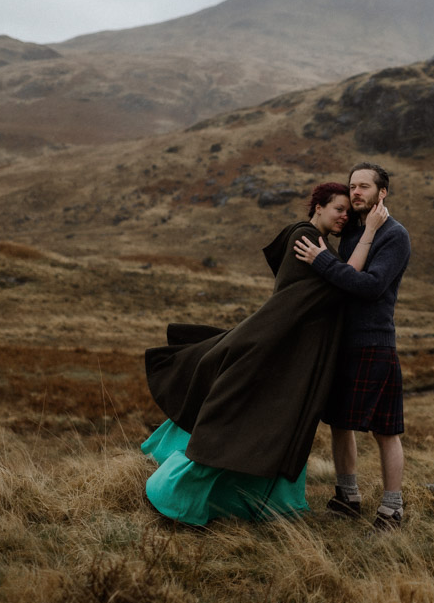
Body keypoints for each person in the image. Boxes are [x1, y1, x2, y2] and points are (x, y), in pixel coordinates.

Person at [140, 182, 386, 525]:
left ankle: (260, 504)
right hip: (279, 351)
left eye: (348, 211)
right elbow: (347, 279)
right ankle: (174, 493)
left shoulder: (318, 243)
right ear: (318, 207)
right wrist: (371, 229)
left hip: (291, 354)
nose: (345, 216)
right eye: (338, 209)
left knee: (276, 426)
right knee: (250, 424)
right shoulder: (306, 237)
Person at [294, 162, 411, 531]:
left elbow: (370, 286)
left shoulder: (394, 235)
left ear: (382, 193)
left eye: (364, 186)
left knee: (386, 429)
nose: (356, 192)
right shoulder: (352, 232)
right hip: (342, 341)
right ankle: (348, 497)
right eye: (352, 186)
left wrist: (323, 261)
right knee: (339, 423)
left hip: (375, 341)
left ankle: (392, 508)